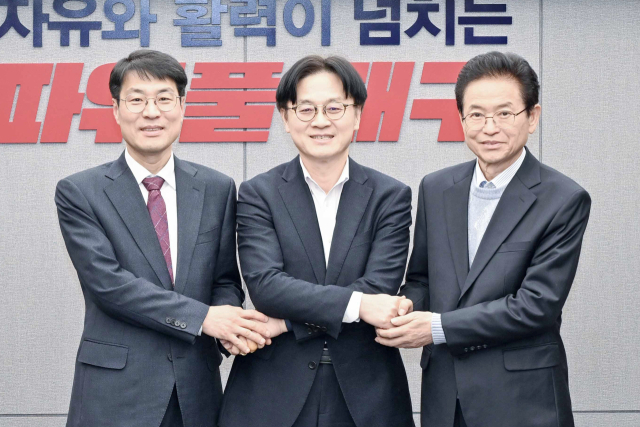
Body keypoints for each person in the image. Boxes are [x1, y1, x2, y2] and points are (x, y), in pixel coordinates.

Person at [55, 49, 271, 427]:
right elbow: (108, 284)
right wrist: (205, 318)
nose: (151, 112)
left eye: (164, 99)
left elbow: (223, 279)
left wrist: (230, 328)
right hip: (116, 393)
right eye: (137, 100)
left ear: (182, 107)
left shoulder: (217, 188)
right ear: (116, 110)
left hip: (196, 390)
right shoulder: (80, 192)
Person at [375, 51, 591, 427]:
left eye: (504, 113)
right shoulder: (436, 188)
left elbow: (536, 305)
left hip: (523, 401)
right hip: (445, 397)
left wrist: (437, 327)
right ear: (461, 119)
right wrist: (404, 309)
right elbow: (422, 277)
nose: (489, 127)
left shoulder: (563, 199)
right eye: (476, 115)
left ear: (532, 117)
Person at [218, 55, 414, 427]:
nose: (321, 121)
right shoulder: (258, 194)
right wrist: (359, 304)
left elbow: (380, 288)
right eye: (306, 109)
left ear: (357, 115)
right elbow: (267, 288)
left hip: (365, 394)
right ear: (285, 118)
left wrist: (286, 324)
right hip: (271, 391)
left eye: (334, 108)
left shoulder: (390, 196)